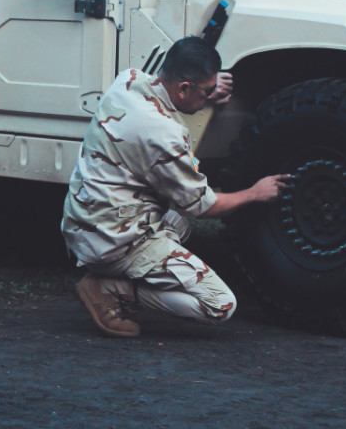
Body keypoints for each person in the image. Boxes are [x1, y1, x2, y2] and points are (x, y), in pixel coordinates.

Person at [61, 36, 287, 337]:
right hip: (109, 241)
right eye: (206, 92)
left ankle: (117, 275)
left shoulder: (128, 80)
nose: (209, 98)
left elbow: (169, 105)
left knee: (177, 224)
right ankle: (112, 288)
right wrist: (255, 193)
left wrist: (206, 92)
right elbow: (202, 206)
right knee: (221, 305)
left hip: (82, 220)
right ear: (183, 88)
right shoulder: (164, 135)